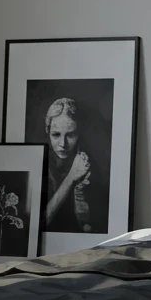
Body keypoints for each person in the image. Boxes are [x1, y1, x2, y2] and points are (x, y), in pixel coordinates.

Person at [42, 97, 103, 233]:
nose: (63, 144)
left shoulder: (89, 164)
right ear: (48, 132)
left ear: (79, 134)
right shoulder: (40, 163)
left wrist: (80, 189)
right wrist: (71, 177)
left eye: (70, 135)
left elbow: (88, 226)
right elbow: (38, 223)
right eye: (56, 135)